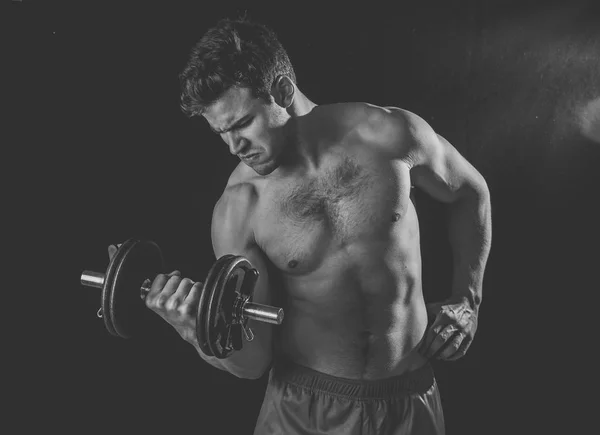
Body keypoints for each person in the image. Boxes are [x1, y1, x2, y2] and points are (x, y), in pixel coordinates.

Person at [123, 16, 492, 435]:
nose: (234, 148)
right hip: (304, 409)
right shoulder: (240, 207)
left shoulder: (390, 136)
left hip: (409, 399)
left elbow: (470, 192)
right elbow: (251, 361)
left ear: (282, 90)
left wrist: (469, 300)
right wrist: (192, 328)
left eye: (242, 124)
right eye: (220, 133)